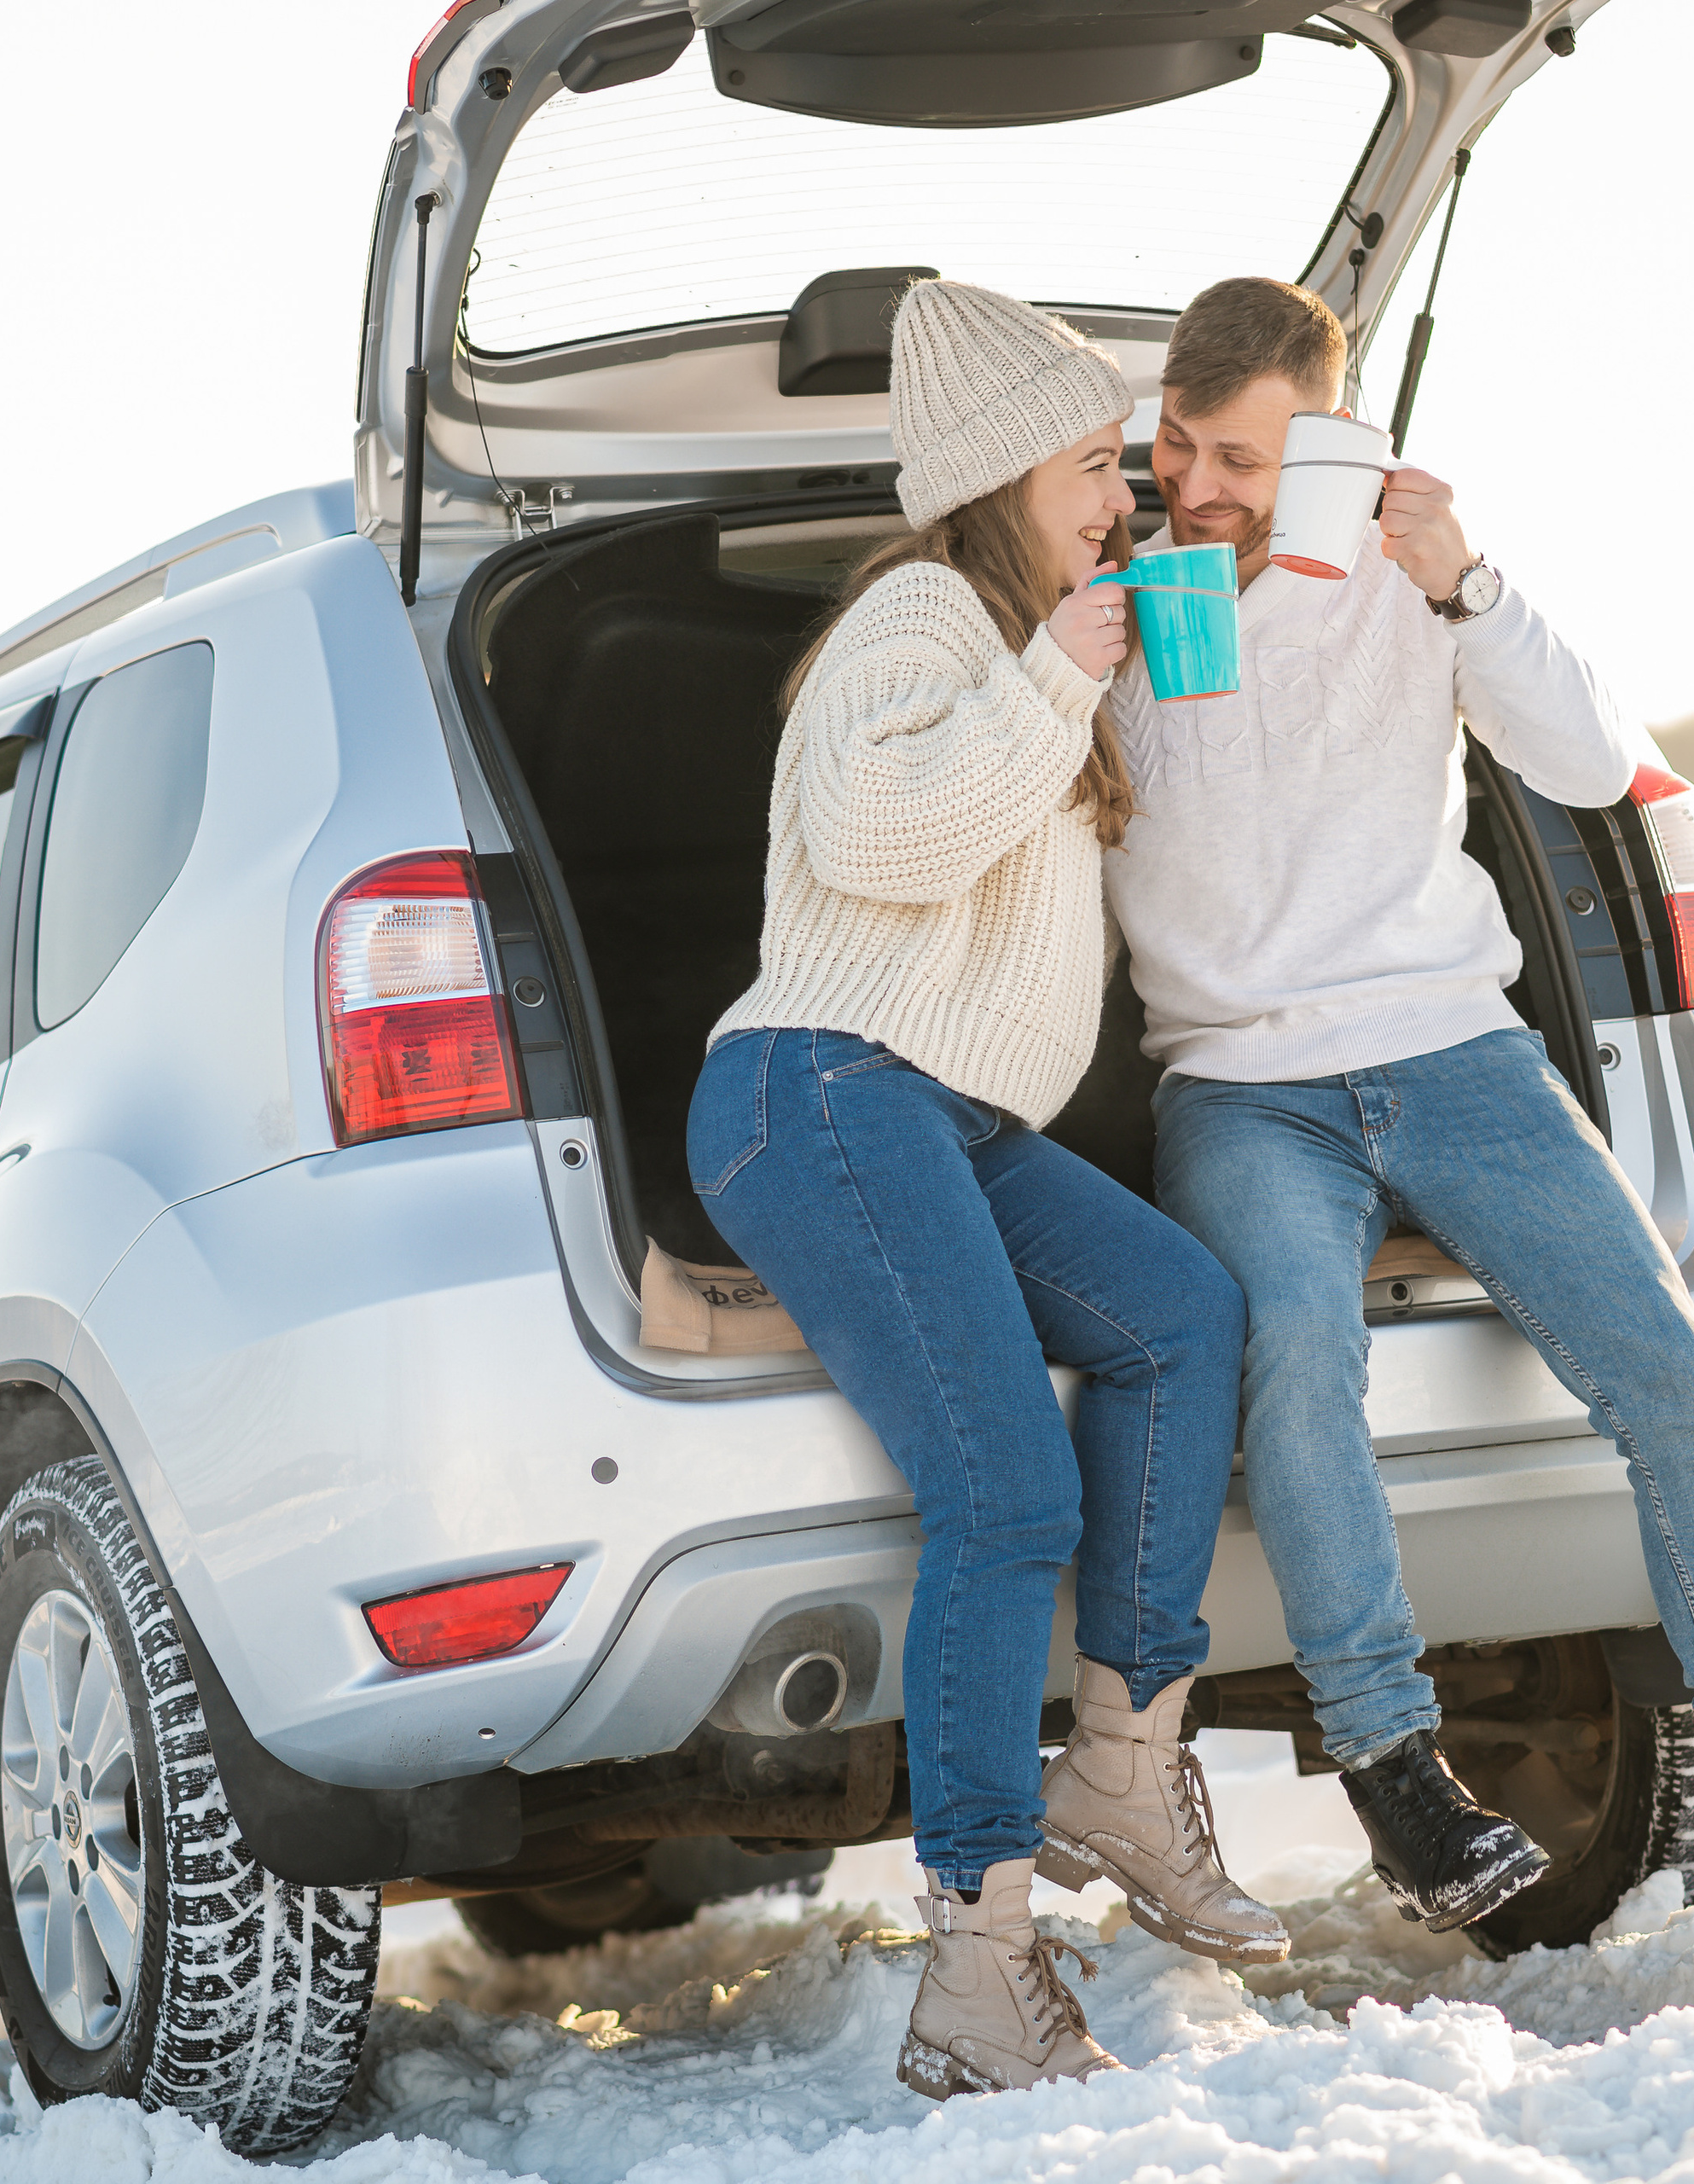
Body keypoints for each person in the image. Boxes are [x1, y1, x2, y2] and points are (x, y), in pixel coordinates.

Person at [1104, 276, 1694, 1998]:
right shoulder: (1117, 592)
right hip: (1238, 1081)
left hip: (1454, 1050)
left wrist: (1466, 586)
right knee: (1292, 1345)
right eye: (1177, 446)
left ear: (1325, 456)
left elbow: (1590, 762)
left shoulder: (1406, 583)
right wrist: (1079, 631)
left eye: (1239, 459)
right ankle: (1391, 1764)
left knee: (1672, 1378)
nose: (1199, 484)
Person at [687, 279, 1289, 2101]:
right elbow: (878, 841)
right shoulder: (926, 610)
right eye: (1095, 466)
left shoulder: (1043, 644)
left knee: (1181, 1313)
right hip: (820, 1084)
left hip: (943, 1115)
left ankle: (1120, 1755)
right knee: (1002, 1487)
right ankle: (972, 1971)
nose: (1121, 499)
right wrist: (1062, 669)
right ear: (999, 478)